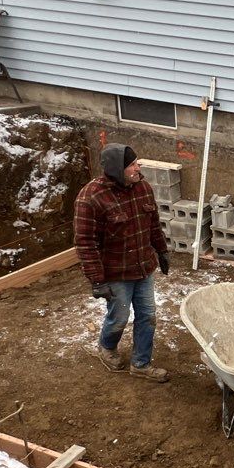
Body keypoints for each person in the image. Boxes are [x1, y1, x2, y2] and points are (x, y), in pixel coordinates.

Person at [73, 143, 171, 382]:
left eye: (137, 163)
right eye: (132, 165)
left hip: (142, 267)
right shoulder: (91, 198)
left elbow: (153, 224)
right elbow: (86, 243)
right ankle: (107, 347)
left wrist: (162, 251)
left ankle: (141, 363)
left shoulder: (142, 187)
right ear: (117, 169)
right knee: (119, 317)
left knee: (148, 315)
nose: (138, 168)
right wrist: (97, 280)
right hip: (116, 273)